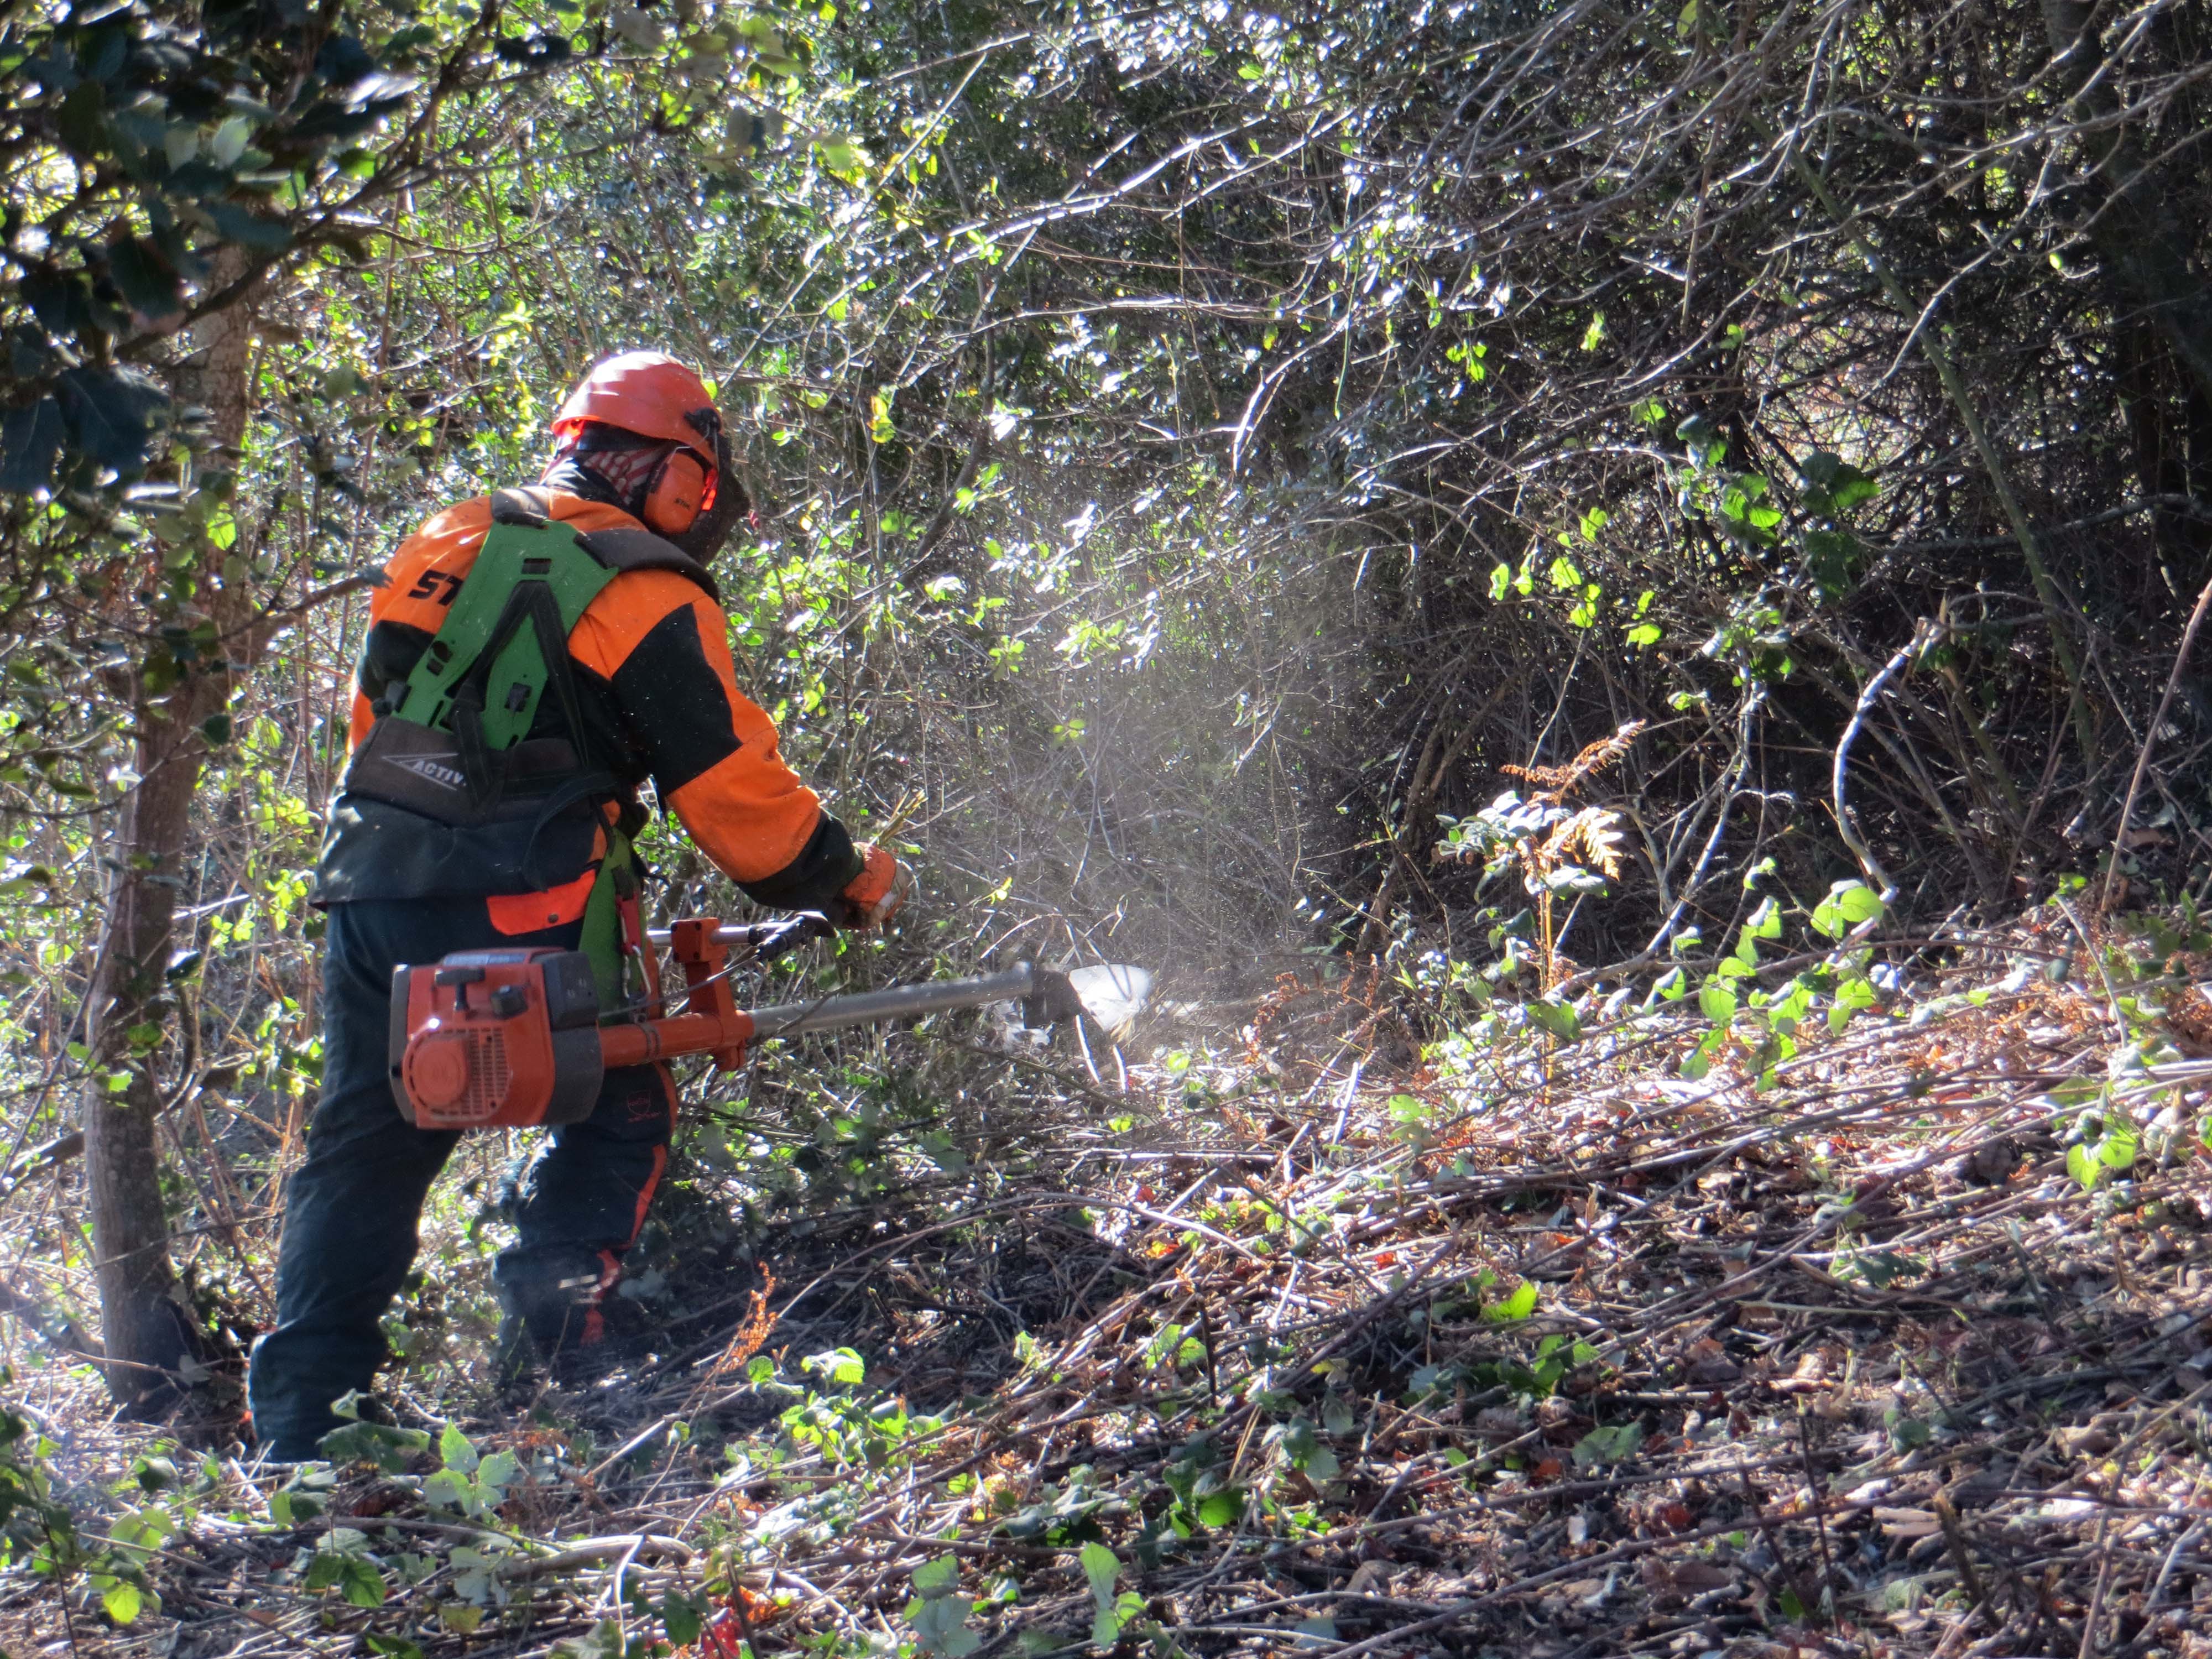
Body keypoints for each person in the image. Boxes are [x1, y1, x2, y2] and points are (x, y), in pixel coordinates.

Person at [245, 352, 904, 1462]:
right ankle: (560, 1362)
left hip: (369, 890)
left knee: (361, 1149)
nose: (701, 508)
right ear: (665, 467)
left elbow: (376, 722)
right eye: (698, 482)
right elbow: (727, 789)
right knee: (618, 1105)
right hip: (520, 906)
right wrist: (839, 877)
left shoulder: (445, 536)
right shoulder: (640, 585)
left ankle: (304, 1434)